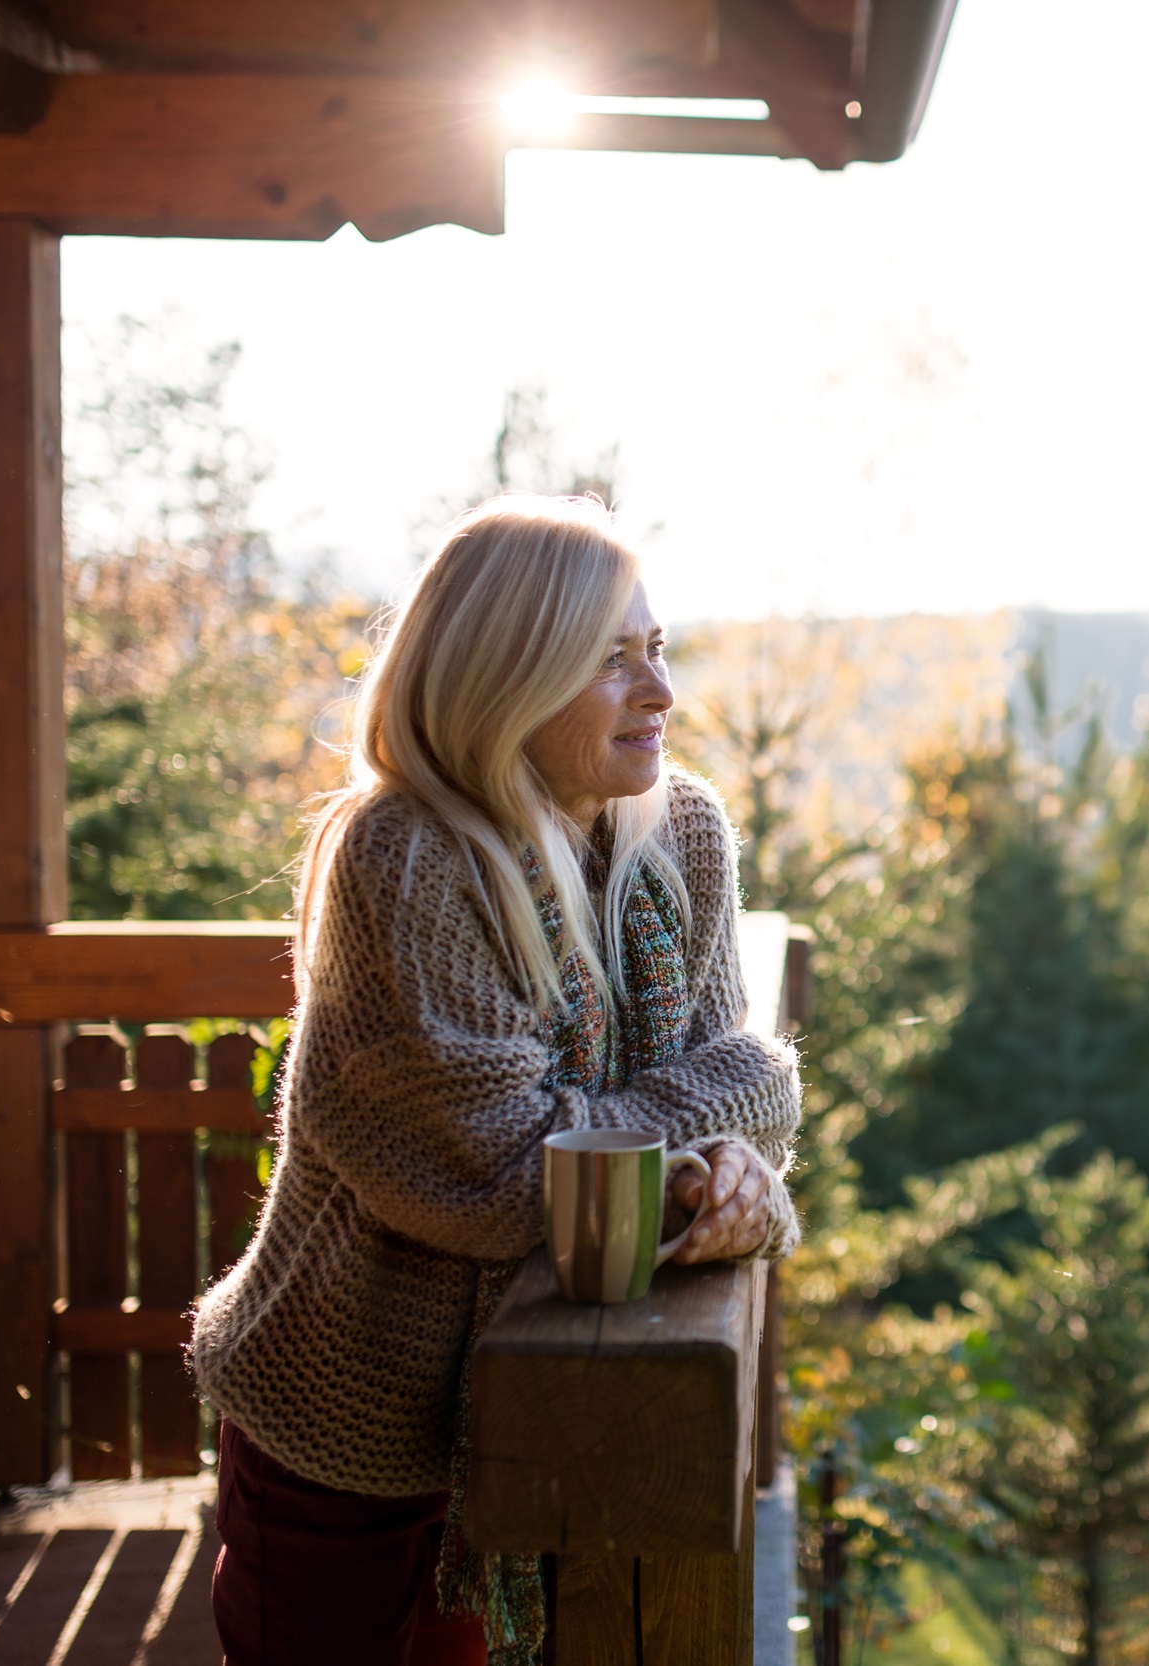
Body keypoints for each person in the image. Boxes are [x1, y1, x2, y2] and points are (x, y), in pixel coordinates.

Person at [189, 496, 801, 1666]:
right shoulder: (407, 854)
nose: (661, 693)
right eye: (610, 662)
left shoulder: (684, 831)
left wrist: (717, 1144)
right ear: (505, 676)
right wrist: (707, 1138)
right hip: (359, 1432)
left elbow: (744, 1094)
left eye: (657, 650)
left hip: (563, 1403)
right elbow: (505, 1174)